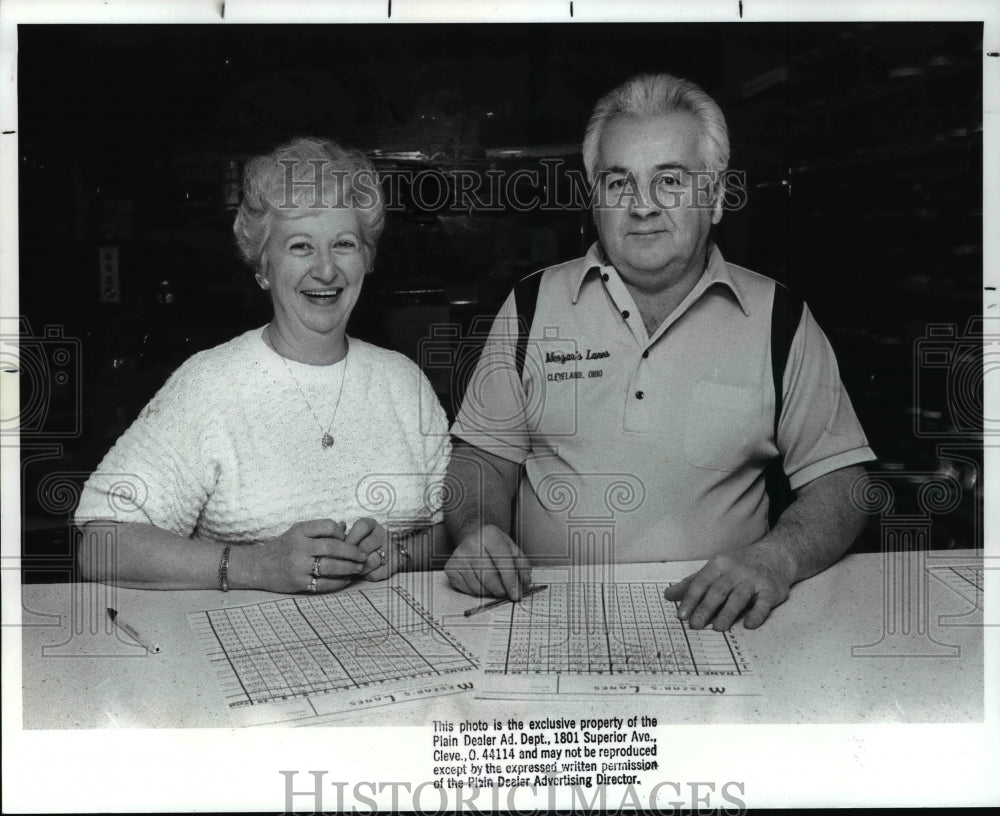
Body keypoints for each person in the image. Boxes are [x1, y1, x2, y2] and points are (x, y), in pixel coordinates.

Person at [444, 73, 875, 630]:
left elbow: (844, 483)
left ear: (716, 198)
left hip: (719, 623)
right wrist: (480, 530)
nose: (642, 206)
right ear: (594, 198)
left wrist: (777, 557)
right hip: (542, 615)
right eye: (619, 182)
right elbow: (481, 459)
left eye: (670, 181)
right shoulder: (532, 305)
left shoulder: (781, 319)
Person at [75, 137, 451, 594]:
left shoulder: (403, 382)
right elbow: (100, 545)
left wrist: (400, 552)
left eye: (344, 244)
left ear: (367, 258)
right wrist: (257, 564)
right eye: (300, 247)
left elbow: (449, 528)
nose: (327, 270)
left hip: (389, 650)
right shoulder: (209, 385)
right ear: (263, 267)